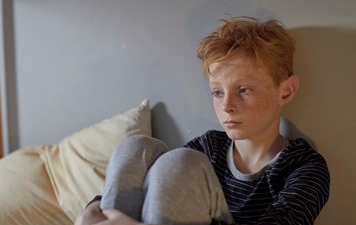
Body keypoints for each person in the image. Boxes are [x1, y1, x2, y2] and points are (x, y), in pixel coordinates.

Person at [75, 17, 330, 225]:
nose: (227, 106)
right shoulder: (209, 147)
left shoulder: (304, 167)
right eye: (218, 92)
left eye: (244, 90)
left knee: (180, 162)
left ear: (285, 91)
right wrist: (92, 209)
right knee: (137, 147)